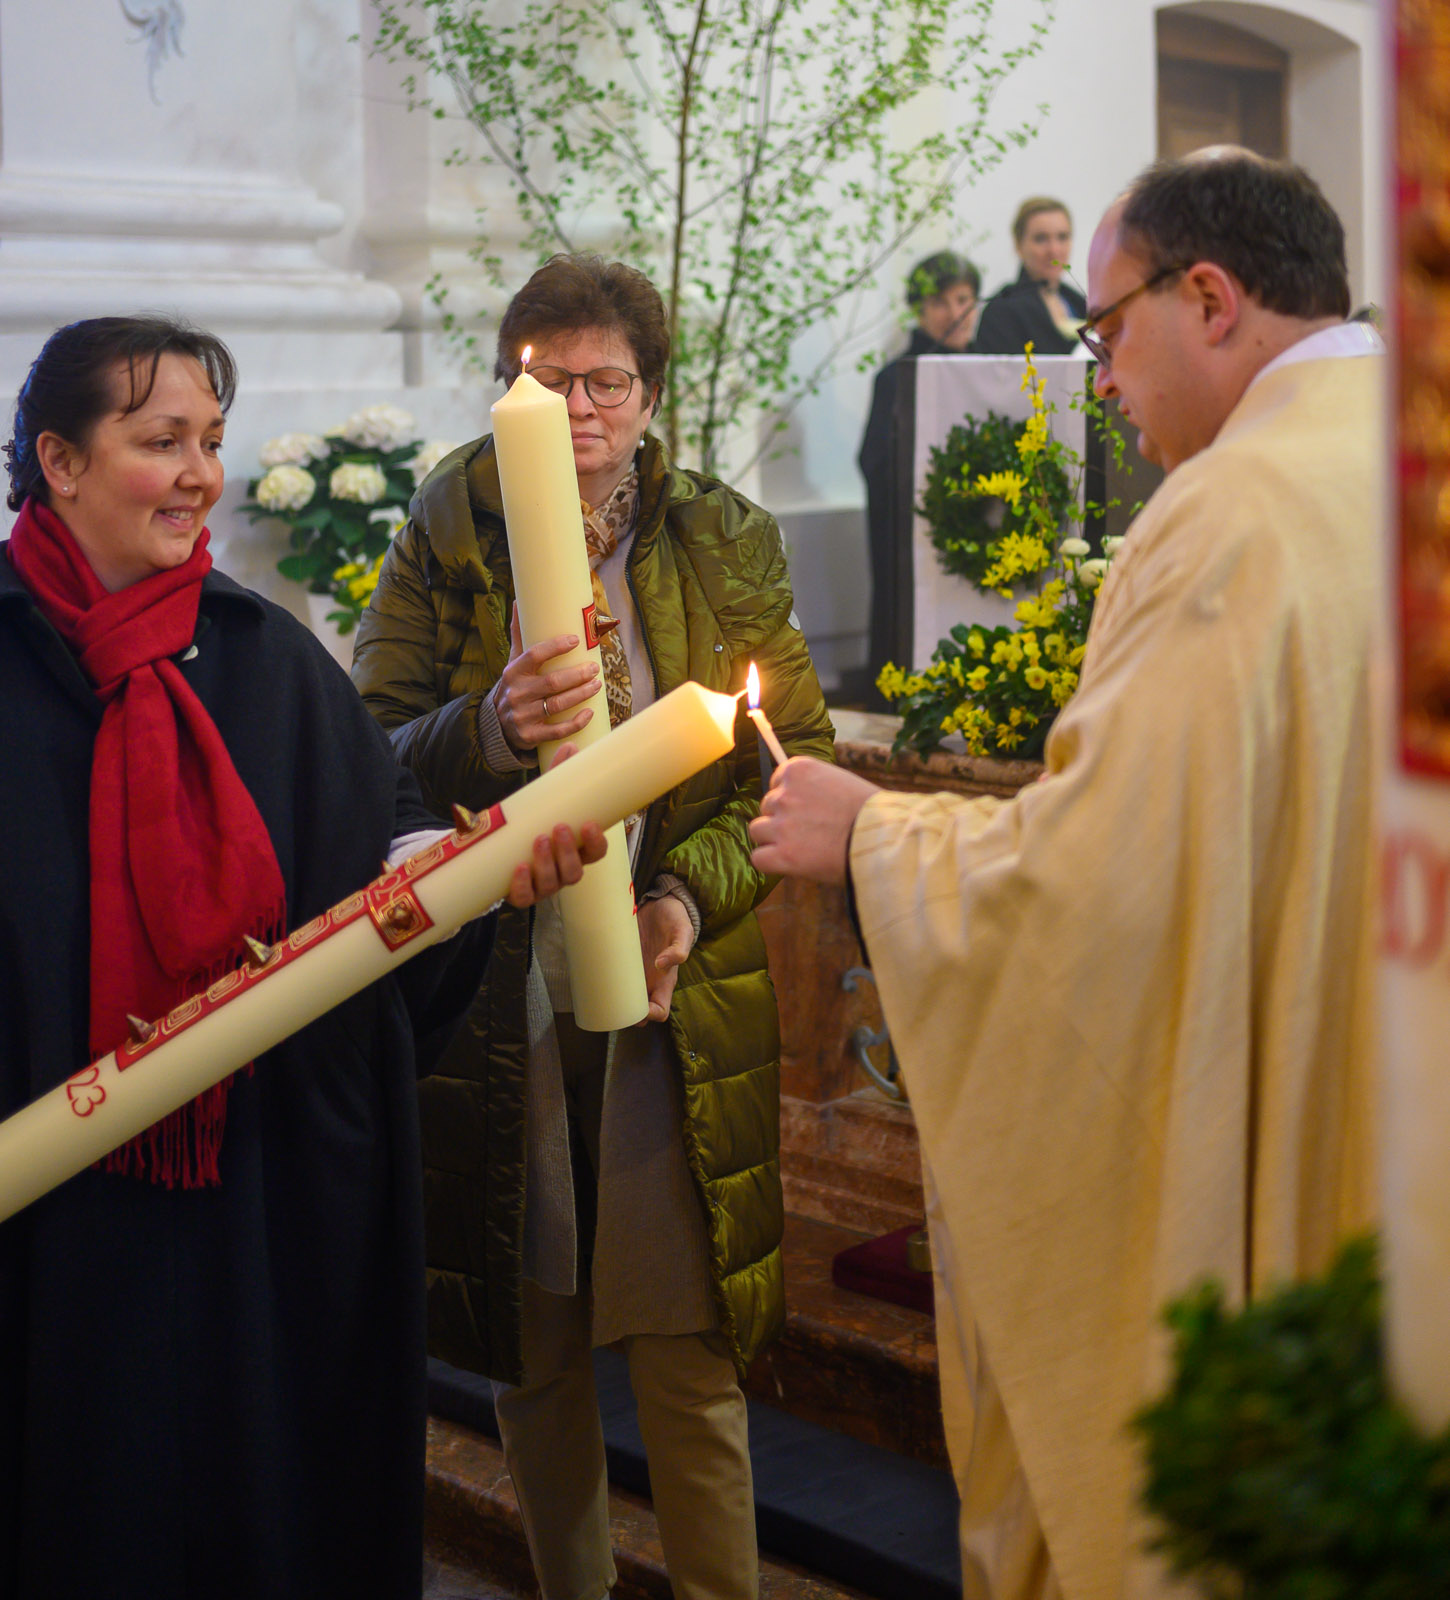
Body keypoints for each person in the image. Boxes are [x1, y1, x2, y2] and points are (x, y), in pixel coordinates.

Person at [750, 150, 1383, 1599]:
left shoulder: (1239, 513)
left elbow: (1102, 887)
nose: (1094, 376)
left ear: (1207, 297)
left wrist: (871, 837)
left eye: (1103, 331)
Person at [0, 315, 599, 1600]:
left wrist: (481, 886)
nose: (202, 474)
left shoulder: (271, 664)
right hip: (53, 1246)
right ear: (57, 458)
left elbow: (376, 909)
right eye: (161, 441)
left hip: (251, 1226)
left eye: (211, 441)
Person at [351, 252, 835, 1600]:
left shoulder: (720, 537)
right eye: (548, 381)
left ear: (649, 394)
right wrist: (494, 724)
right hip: (500, 984)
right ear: (509, 389)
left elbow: (781, 767)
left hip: (672, 994)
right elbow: (374, 751)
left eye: (605, 382)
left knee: (684, 1354)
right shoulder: (449, 528)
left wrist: (686, 898)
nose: (577, 409)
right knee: (536, 1351)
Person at [857, 251, 981, 699]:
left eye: (964, 300)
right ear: (920, 308)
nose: (956, 313)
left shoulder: (994, 369)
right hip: (916, 537)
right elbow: (873, 461)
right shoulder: (897, 377)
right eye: (941, 303)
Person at [972, 197, 1086, 356]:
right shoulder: (1001, 311)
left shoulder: (1081, 303)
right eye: (1041, 239)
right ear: (1019, 245)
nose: (1054, 250)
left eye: (1062, 237)